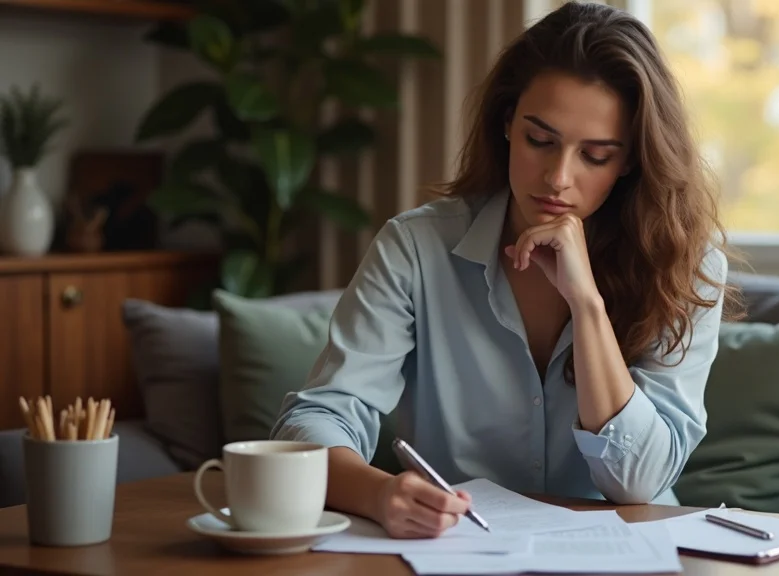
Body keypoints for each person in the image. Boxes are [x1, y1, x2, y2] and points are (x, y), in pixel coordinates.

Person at [270, 0, 739, 540]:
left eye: (595, 155)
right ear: (507, 123)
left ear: (631, 158)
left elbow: (640, 482)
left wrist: (587, 305)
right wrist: (378, 493)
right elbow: (316, 420)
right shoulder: (416, 248)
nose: (558, 177)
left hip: (631, 553)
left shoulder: (686, 267)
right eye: (541, 140)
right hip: (452, 548)